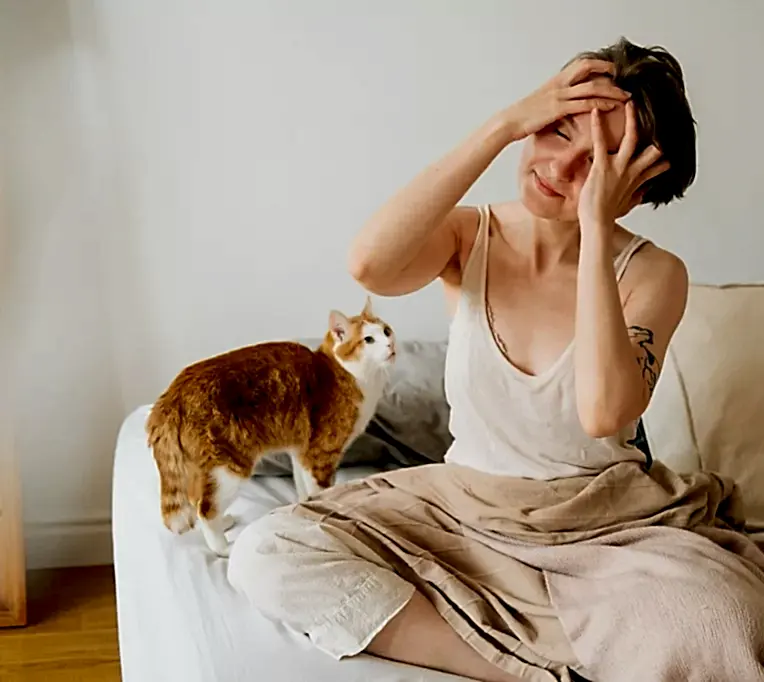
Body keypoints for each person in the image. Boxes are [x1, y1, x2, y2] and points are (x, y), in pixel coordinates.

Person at [230, 37, 698, 681]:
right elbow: (369, 264)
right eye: (555, 131)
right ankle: (521, 671)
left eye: (597, 163)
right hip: (465, 509)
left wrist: (593, 230)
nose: (559, 168)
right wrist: (505, 124)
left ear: (639, 186)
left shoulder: (654, 274)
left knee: (709, 624)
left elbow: (603, 411)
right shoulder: (467, 236)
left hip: (601, 526)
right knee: (265, 552)